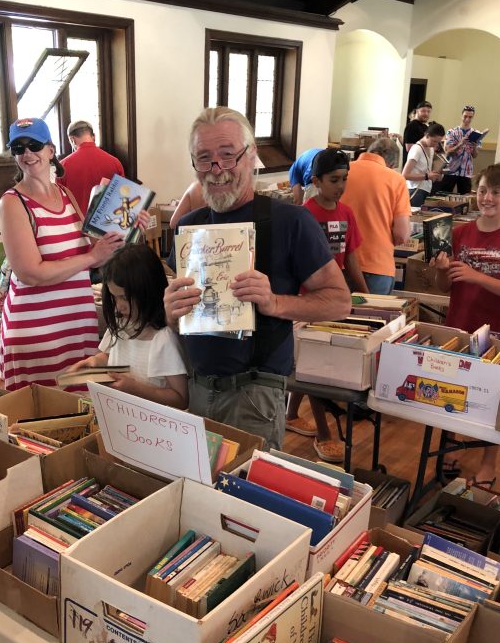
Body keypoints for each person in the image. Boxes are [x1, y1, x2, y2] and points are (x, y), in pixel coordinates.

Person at [164, 106, 351, 449]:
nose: (216, 169)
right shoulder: (189, 227)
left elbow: (340, 302)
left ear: (251, 157)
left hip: (253, 394)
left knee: (244, 495)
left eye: (228, 155)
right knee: (199, 495)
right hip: (198, 389)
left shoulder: (291, 222)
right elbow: (184, 322)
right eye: (204, 158)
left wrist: (275, 302)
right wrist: (172, 311)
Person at [0, 116, 141, 391]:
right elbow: (31, 273)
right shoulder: (13, 203)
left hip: (76, 326)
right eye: (18, 148)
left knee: (82, 410)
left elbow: (103, 251)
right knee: (42, 419)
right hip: (38, 332)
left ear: (51, 150)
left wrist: (131, 227)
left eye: (34, 145)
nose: (28, 153)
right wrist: (91, 258)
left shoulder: (66, 195)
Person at [430, 163, 500, 487]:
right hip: (459, 325)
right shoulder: (459, 232)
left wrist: (477, 276)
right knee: (452, 390)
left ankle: (489, 461)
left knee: (492, 401)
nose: (487, 198)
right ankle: (449, 446)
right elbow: (442, 285)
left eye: (496, 192)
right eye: (483, 190)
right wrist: (441, 269)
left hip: (498, 333)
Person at [285, 148, 368, 461]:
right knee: (314, 369)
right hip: (307, 302)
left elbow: (352, 258)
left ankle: (291, 415)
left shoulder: (346, 213)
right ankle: (323, 431)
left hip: (333, 298)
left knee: (310, 364)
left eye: (344, 179)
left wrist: (367, 294)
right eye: (334, 179)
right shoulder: (303, 215)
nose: (341, 185)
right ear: (316, 180)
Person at [66, 244, 188, 409]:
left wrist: (135, 389)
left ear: (147, 290)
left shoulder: (163, 338)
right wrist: (95, 362)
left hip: (152, 426)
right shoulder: (121, 324)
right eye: (114, 297)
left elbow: (180, 399)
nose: (119, 306)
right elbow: (108, 355)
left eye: (124, 297)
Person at [340, 138, 411, 295]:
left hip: (337, 263)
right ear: (392, 164)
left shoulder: (341, 172)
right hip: (376, 265)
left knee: (334, 319)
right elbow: (401, 234)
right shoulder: (396, 179)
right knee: (371, 318)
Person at [59, 120, 124, 216]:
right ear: (93, 136)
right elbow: (122, 197)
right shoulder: (115, 162)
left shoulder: (63, 166)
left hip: (76, 223)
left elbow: (60, 201)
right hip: (107, 223)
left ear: (72, 139)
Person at [438, 105, 481, 195]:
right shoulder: (451, 132)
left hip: (466, 171)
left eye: (470, 117)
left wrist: (474, 146)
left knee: (465, 198)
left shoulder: (476, 133)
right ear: (461, 116)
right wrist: (460, 144)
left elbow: (475, 155)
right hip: (450, 170)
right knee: (443, 195)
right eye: (465, 116)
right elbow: (448, 151)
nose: (467, 119)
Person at [402, 122, 446, 207]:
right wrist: (427, 176)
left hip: (425, 189)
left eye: (438, 142)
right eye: (434, 141)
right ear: (427, 135)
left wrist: (436, 174)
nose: (436, 144)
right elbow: (405, 175)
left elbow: (427, 170)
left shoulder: (430, 148)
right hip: (415, 190)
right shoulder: (416, 149)